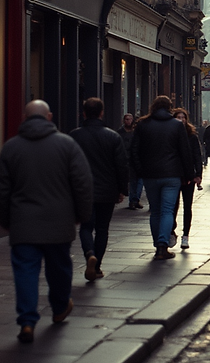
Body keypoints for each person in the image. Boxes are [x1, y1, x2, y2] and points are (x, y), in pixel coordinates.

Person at [0, 100, 92, 343]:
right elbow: (82, 183)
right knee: (59, 268)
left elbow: (1, 189)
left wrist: (5, 219)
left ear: (25, 118)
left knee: (25, 271)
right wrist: (81, 214)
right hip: (59, 221)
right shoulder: (66, 145)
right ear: (48, 117)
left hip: (23, 222)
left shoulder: (11, 147)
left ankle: (27, 321)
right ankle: (59, 308)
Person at [69, 97, 128, 282]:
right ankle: (98, 266)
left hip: (82, 190)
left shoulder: (74, 136)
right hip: (107, 190)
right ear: (102, 113)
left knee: (86, 227)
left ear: (84, 113)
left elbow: (67, 165)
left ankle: (89, 255)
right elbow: (121, 165)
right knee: (102, 229)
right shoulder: (112, 136)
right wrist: (122, 189)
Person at [130, 95, 194, 261]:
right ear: (170, 108)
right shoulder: (177, 126)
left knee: (155, 211)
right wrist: (188, 174)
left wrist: (140, 170)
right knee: (167, 210)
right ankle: (162, 246)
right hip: (172, 175)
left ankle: (157, 244)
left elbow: (134, 150)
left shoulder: (143, 124)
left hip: (150, 175)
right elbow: (184, 152)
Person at [171, 108, 202, 250]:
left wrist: (198, 174)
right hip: (175, 175)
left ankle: (185, 236)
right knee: (172, 206)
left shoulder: (192, 136)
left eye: (183, 117)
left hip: (189, 176)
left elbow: (197, 155)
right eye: (178, 117)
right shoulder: (171, 134)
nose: (181, 119)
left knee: (187, 206)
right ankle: (171, 230)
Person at [119, 113, 143, 210]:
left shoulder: (136, 132)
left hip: (136, 158)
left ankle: (136, 199)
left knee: (140, 180)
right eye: (126, 119)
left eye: (130, 119)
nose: (128, 121)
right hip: (127, 159)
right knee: (133, 181)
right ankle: (133, 200)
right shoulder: (120, 132)